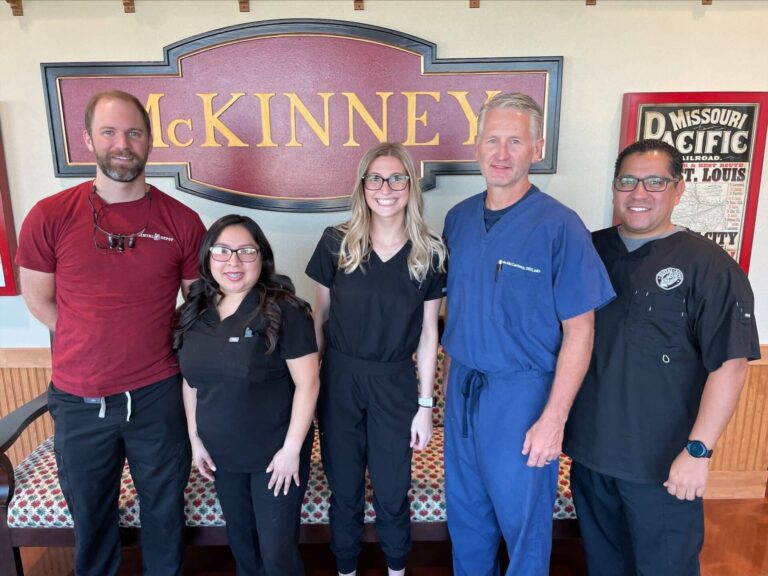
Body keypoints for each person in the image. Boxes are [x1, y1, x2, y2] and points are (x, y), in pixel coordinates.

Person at [15, 90, 205, 575]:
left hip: (157, 398)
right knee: (92, 523)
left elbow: (199, 305)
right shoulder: (49, 215)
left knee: (165, 516)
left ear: (149, 142)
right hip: (79, 403)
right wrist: (90, 337)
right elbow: (38, 298)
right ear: (87, 140)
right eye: (109, 132)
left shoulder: (182, 222)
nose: (123, 143)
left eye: (134, 133)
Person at [563, 139, 761, 576]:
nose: (638, 194)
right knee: (605, 565)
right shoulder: (588, 252)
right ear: (614, 188)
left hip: (664, 465)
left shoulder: (709, 266)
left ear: (678, 189)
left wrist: (698, 451)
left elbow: (730, 365)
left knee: (664, 568)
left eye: (655, 182)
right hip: (592, 458)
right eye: (627, 181)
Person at [441, 92, 615, 576]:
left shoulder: (561, 227)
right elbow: (460, 312)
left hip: (523, 396)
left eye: (514, 141)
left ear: (536, 148)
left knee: (524, 527)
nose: (501, 152)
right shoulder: (457, 221)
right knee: (467, 517)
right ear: (476, 146)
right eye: (492, 139)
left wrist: (554, 419)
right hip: (463, 389)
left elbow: (581, 329)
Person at [306, 142, 447, 576]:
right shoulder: (336, 242)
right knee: (344, 489)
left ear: (410, 185)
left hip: (394, 384)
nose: (386, 188)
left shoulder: (431, 252)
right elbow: (320, 320)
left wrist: (425, 407)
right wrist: (310, 391)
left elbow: (428, 334)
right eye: (376, 178)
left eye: (397, 178)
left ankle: (396, 568)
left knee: (391, 489)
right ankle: (346, 567)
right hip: (341, 380)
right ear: (363, 186)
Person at [175, 214, 319, 576]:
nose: (233, 262)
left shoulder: (286, 310)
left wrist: (291, 451)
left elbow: (308, 384)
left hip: (275, 456)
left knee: (276, 556)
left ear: (262, 258)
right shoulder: (193, 312)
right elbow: (191, 382)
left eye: (246, 252)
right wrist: (196, 440)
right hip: (222, 454)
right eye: (222, 251)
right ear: (208, 257)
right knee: (244, 549)